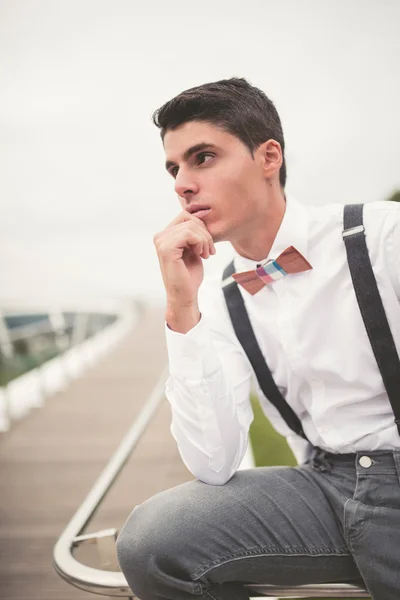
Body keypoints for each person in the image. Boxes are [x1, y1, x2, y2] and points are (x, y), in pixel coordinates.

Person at [116, 77, 400, 600]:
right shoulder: (222, 299)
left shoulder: (385, 237)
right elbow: (214, 463)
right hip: (324, 486)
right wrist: (183, 308)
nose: (182, 183)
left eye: (203, 157)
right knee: (152, 541)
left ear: (269, 156)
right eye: (174, 168)